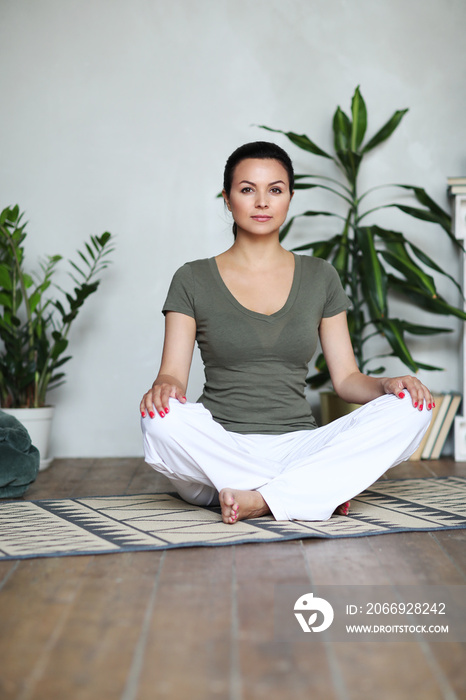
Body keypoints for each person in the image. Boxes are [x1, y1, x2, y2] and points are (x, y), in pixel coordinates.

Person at [140, 141, 433, 524]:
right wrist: (162, 386)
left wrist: (387, 385)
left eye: (274, 190)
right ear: (227, 199)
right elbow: (172, 375)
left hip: (299, 446)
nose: (262, 201)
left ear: (289, 198)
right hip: (216, 448)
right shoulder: (192, 278)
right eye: (247, 189)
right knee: (158, 419)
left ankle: (261, 500)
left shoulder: (320, 276)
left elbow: (346, 379)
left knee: (414, 406)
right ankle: (308, 491)